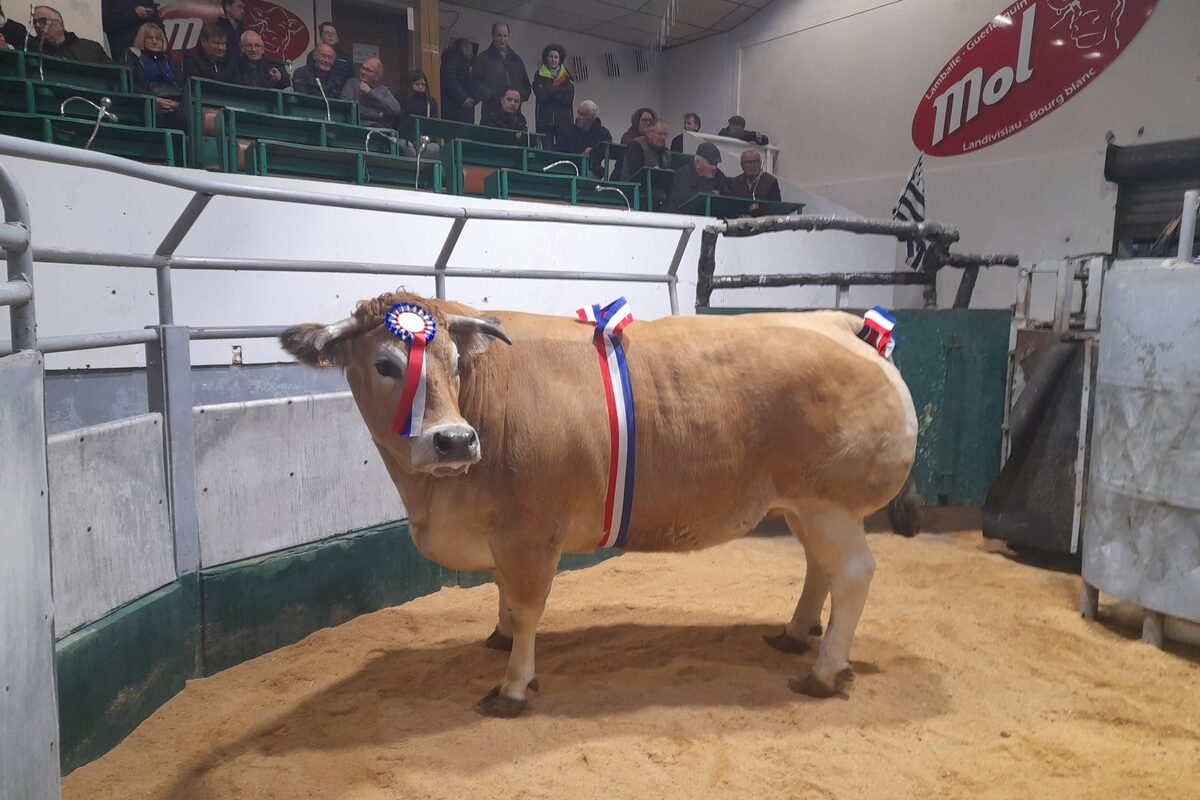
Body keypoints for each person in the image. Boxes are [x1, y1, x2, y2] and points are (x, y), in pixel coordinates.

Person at [471, 21, 530, 128]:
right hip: (490, 116)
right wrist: (490, 94)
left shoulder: (517, 60)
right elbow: (474, 83)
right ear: (492, 36)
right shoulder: (483, 58)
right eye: (499, 36)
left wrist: (518, 96)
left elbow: (527, 86)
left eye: (505, 36)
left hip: (514, 118)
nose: (502, 40)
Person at [125, 22, 183, 130]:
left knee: (184, 114)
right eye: (149, 38)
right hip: (146, 100)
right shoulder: (133, 56)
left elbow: (181, 84)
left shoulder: (169, 60)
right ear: (142, 39)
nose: (154, 42)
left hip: (172, 101)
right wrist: (154, 99)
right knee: (154, 112)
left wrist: (177, 103)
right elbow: (130, 83)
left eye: (158, 38)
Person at [29, 6, 110, 63]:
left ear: (59, 25)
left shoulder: (91, 49)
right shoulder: (32, 50)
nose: (37, 26)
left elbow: (113, 73)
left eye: (43, 21)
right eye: (34, 22)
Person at [339, 57, 403, 128]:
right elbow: (348, 107)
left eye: (368, 70)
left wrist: (370, 92)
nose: (363, 72)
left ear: (377, 77)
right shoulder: (352, 83)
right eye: (362, 68)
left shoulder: (383, 90)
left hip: (378, 132)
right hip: (355, 129)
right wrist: (378, 114)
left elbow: (396, 109)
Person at [666, 142, 729, 213]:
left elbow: (727, 199)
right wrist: (712, 194)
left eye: (716, 164)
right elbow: (685, 200)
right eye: (711, 163)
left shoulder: (719, 176)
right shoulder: (683, 174)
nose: (714, 168)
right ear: (697, 163)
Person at [532, 43, 573, 150]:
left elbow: (567, 98)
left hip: (564, 124)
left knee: (562, 154)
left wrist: (550, 90)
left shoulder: (568, 76)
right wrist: (559, 90)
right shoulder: (539, 75)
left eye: (556, 57)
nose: (553, 60)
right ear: (546, 58)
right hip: (545, 123)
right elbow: (541, 96)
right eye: (551, 56)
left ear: (560, 59)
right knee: (547, 153)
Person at [560, 100, 610, 178]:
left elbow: (605, 150)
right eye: (578, 113)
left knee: (586, 175)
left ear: (591, 117)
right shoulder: (569, 131)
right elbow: (559, 148)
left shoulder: (603, 133)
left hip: (591, 170)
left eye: (582, 114)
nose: (578, 117)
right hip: (569, 168)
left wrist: (592, 151)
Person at [304, 21, 353, 96]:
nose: (330, 36)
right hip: (320, 93)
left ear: (337, 37)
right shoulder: (313, 54)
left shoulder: (346, 57)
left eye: (333, 33)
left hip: (343, 95)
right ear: (321, 36)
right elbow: (309, 75)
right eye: (327, 33)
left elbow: (351, 79)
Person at [440, 37, 475, 124]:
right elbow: (450, 80)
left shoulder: (454, 60)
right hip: (455, 109)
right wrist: (463, 98)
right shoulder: (453, 59)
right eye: (470, 50)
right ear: (464, 48)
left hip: (456, 109)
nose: (472, 54)